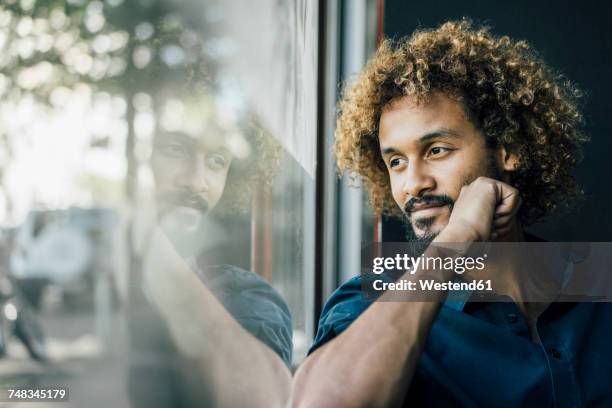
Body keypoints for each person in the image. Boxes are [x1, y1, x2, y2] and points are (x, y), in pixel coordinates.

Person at [290, 20, 612, 407]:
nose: (413, 183)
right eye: (395, 162)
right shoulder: (372, 301)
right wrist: (455, 238)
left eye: (437, 150)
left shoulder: (598, 280)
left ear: (509, 150)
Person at [128, 95, 292, 408]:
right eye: (175, 150)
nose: (196, 182)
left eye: (217, 161)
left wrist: (150, 240)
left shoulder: (244, 298)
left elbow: (266, 398)